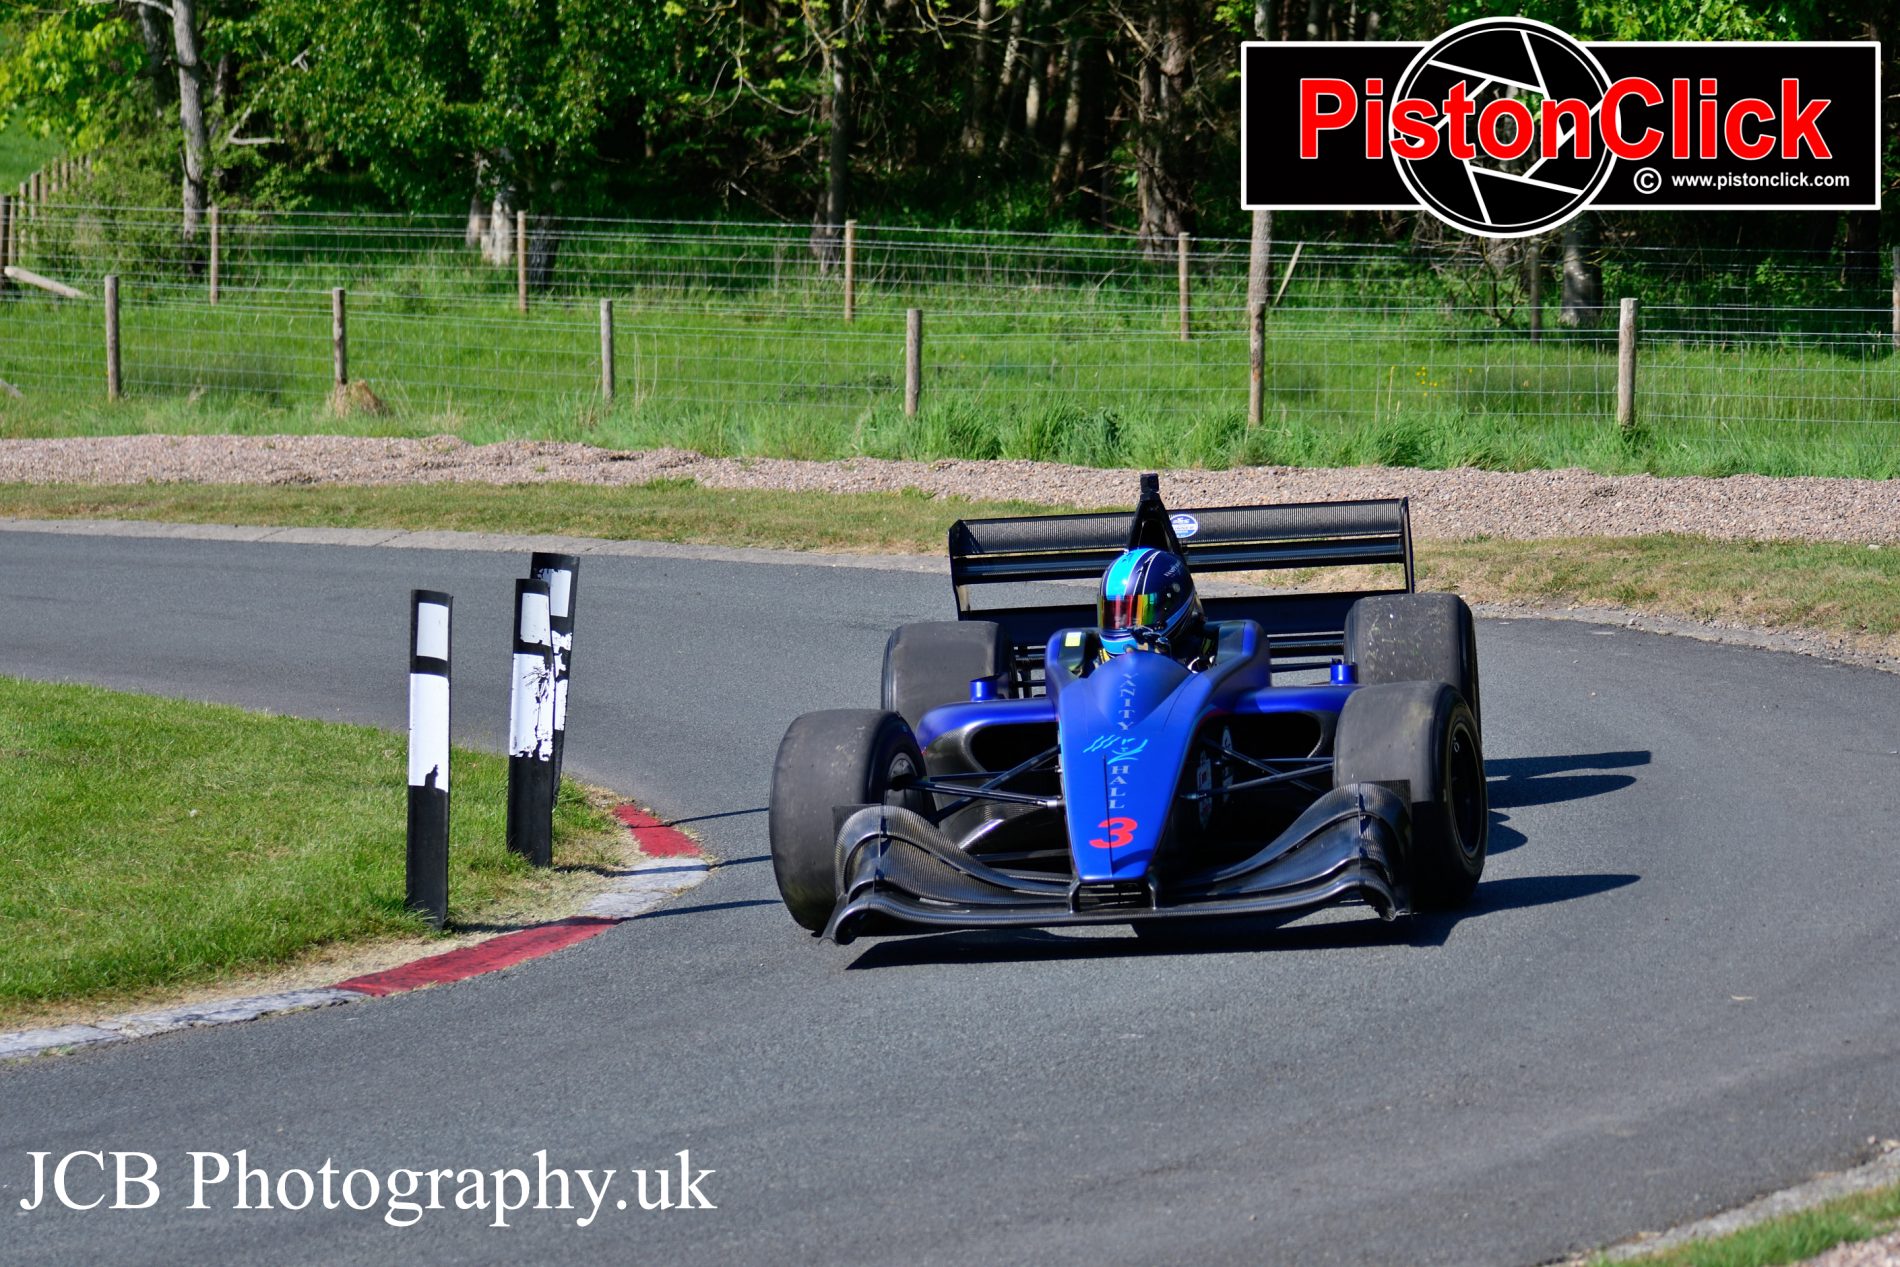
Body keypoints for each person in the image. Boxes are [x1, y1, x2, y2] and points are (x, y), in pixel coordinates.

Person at [1097, 546, 1212, 667]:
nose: (1120, 622)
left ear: (1172, 603)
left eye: (1138, 613)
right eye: (1114, 614)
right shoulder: (1092, 665)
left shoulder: (1209, 659)